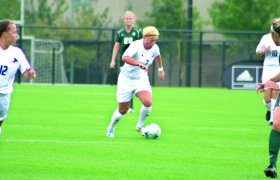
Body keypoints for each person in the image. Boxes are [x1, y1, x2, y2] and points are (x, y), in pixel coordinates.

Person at [106, 26, 165, 138]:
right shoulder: (136, 45)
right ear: (144, 37)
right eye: (151, 40)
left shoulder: (155, 47)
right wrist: (138, 64)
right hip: (126, 79)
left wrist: (160, 69)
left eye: (155, 40)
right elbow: (125, 57)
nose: (153, 43)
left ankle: (140, 125)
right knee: (124, 109)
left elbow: (158, 56)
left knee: (148, 102)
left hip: (141, 78)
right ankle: (111, 127)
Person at [0, 20, 36, 135]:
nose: (17, 36)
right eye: (14, 32)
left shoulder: (17, 53)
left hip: (4, 94)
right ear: (5, 34)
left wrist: (30, 74)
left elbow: (26, 71)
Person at [256, 19, 280, 179]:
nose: (272, 37)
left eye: (274, 35)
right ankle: (272, 166)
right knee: (277, 124)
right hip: (270, 74)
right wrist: (268, 82)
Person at [109, 10, 142, 113]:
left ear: (133, 20)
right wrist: (113, 60)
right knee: (125, 84)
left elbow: (142, 46)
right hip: (124, 62)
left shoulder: (137, 32)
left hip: (135, 62)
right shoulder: (120, 33)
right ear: (124, 20)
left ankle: (131, 106)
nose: (128, 20)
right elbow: (116, 47)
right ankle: (126, 106)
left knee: (133, 83)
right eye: (127, 18)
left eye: (130, 18)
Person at [256, 17, 280, 125]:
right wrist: (269, 81)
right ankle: (271, 112)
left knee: (275, 93)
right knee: (267, 99)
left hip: (276, 68)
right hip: (268, 69)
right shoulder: (265, 38)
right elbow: (258, 51)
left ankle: (272, 119)